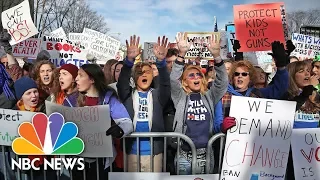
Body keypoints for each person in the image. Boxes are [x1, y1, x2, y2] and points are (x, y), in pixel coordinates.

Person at [170, 32, 229, 174]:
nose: (196, 77)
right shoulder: (180, 97)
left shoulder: (209, 96)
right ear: (184, 81)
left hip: (205, 154)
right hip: (184, 154)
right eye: (191, 75)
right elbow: (173, 80)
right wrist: (181, 54)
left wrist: (217, 56)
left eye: (198, 75)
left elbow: (222, 82)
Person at [117, 35, 170, 172]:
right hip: (132, 152)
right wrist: (129, 61)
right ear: (134, 78)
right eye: (139, 73)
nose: (144, 75)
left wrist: (161, 62)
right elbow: (122, 82)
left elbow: (165, 84)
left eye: (147, 72)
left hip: (155, 153)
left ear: (153, 76)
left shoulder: (158, 95)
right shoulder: (128, 95)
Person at [72, 63, 133, 180]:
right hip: (77, 160)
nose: (76, 79)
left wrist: (119, 130)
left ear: (92, 79)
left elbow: (126, 122)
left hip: (102, 161)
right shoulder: (71, 99)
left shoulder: (109, 98)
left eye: (80, 75)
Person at [281, 61, 320, 180]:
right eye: (301, 71)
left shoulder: (316, 97)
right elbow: (289, 110)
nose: (307, 74)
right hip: (291, 154)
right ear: (292, 75)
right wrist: (307, 91)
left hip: (312, 154)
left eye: (308, 71)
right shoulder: (286, 95)